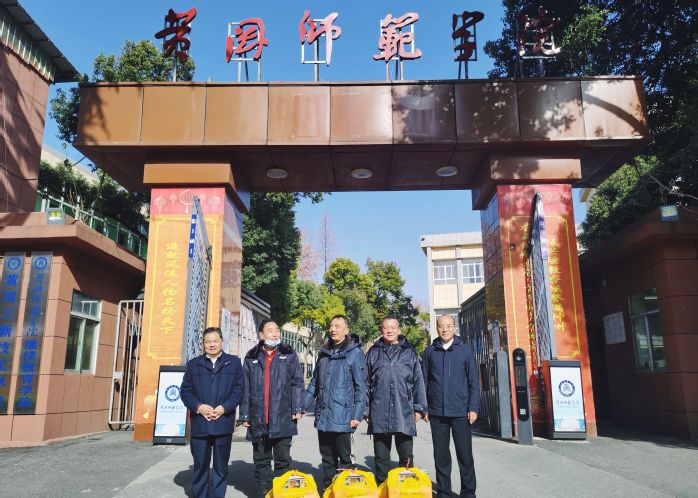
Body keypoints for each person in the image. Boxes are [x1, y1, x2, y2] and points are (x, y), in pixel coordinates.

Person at [239, 319, 305, 498]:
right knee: (261, 460)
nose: (275, 333)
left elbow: (297, 382)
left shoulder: (289, 354)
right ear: (261, 335)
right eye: (270, 330)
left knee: (283, 460)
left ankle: (283, 494)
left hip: (283, 416)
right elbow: (245, 387)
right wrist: (244, 415)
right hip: (258, 418)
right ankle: (265, 492)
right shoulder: (251, 357)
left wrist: (298, 407)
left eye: (277, 330)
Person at [304, 314, 367, 490]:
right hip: (324, 415)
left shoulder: (355, 353)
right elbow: (314, 383)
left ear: (346, 330)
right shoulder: (324, 354)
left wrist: (357, 414)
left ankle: (347, 491)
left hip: (344, 415)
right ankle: (329, 489)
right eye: (331, 326)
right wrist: (301, 406)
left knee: (345, 459)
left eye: (337, 326)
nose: (333, 329)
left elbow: (361, 386)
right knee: (327, 457)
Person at [180, 327, 245, 498]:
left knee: (221, 466)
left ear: (222, 341)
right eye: (208, 341)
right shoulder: (194, 364)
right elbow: (185, 391)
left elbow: (239, 390)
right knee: (200, 466)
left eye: (215, 341)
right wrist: (199, 407)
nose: (212, 344)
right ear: (203, 343)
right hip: (200, 424)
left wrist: (224, 408)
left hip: (223, 422)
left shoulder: (234, 363)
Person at [422, 315, 480, 498]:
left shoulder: (465, 350)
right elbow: (424, 382)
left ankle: (468, 492)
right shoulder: (430, 351)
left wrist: (473, 408)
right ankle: (444, 492)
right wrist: (424, 408)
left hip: (461, 412)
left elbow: (473, 382)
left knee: (465, 455)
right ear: (436, 328)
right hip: (437, 412)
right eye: (441, 326)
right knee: (441, 456)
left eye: (448, 326)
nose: (444, 329)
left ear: (454, 328)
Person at [365, 316, 427, 485]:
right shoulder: (373, 352)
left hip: (403, 411)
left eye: (393, 327)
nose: (389, 330)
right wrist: (365, 410)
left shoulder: (409, 352)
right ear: (381, 330)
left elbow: (418, 381)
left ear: (399, 330)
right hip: (379, 411)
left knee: (406, 456)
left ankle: (406, 489)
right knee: (381, 458)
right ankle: (383, 489)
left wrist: (419, 408)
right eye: (386, 327)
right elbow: (365, 383)